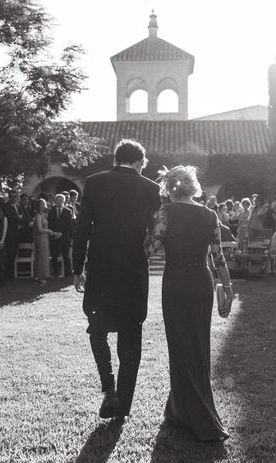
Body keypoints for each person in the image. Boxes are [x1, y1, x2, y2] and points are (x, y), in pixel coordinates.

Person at [72, 139, 161, 420]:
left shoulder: (95, 182)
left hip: (101, 267)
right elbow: (155, 235)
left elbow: (82, 229)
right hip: (133, 271)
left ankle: (109, 388)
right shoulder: (151, 188)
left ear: (116, 158)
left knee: (97, 327)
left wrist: (77, 268)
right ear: (139, 162)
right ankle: (123, 405)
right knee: (131, 331)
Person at [145, 165, 232, 441]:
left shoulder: (165, 213)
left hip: (176, 284)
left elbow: (149, 250)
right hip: (201, 283)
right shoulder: (209, 214)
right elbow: (218, 257)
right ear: (192, 186)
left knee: (179, 345)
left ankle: (192, 413)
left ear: (169, 188)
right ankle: (179, 409)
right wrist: (227, 287)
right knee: (197, 344)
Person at [48, 193, 74, 278]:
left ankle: (67, 274)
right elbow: (50, 224)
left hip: (64, 236)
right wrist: (55, 233)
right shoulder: (51, 211)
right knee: (54, 255)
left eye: (61, 200)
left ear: (63, 201)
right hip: (54, 236)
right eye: (57, 200)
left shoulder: (68, 211)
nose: (59, 201)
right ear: (55, 200)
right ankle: (55, 273)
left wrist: (61, 233)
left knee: (66, 256)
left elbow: (69, 225)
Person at [3, 190, 24, 281]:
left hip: (17, 234)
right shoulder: (5, 206)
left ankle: (11, 274)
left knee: (14, 253)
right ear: (9, 197)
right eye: (11, 196)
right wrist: (18, 218)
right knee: (9, 254)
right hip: (10, 234)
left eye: (15, 196)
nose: (13, 198)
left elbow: (23, 217)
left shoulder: (18, 206)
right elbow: (9, 218)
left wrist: (19, 218)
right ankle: (8, 275)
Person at [33, 199, 53, 285]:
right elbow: (39, 229)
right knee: (41, 257)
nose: (42, 206)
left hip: (45, 237)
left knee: (45, 256)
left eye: (43, 204)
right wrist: (49, 231)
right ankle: (40, 277)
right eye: (40, 204)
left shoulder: (44, 215)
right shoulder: (38, 215)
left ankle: (45, 275)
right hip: (40, 237)